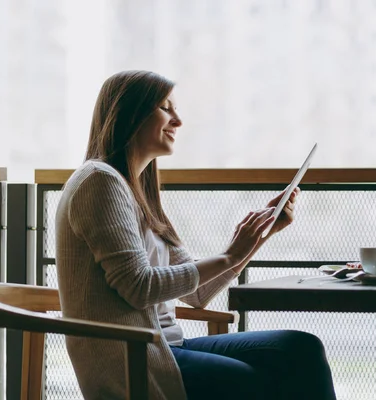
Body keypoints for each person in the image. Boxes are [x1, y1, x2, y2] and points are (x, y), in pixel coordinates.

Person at [55, 70, 337, 400]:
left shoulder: (140, 191)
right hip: (134, 360)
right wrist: (232, 254)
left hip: (167, 346)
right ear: (129, 114)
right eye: (165, 108)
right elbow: (139, 288)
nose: (178, 121)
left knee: (300, 349)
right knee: (253, 381)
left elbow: (196, 295)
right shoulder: (98, 182)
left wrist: (259, 235)